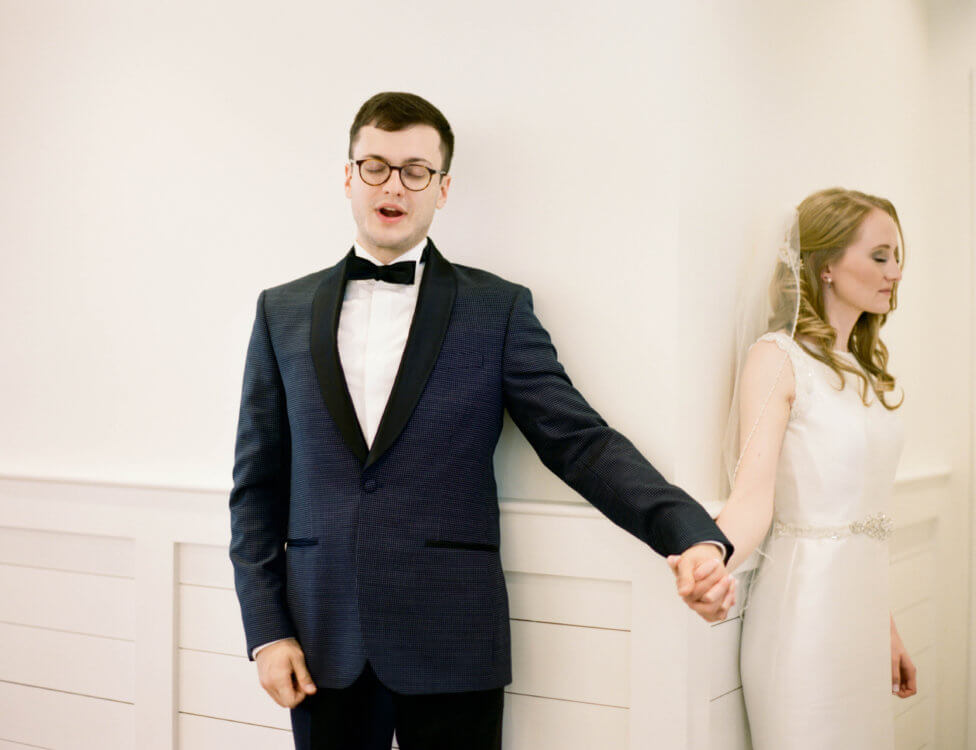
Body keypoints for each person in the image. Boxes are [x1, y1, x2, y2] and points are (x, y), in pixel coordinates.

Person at [228, 91, 735, 750]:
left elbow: (580, 444)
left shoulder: (496, 310)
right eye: (376, 165)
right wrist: (266, 631)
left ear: (442, 189)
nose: (394, 185)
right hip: (322, 642)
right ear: (348, 176)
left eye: (416, 170)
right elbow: (256, 488)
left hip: (454, 642)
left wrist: (690, 534)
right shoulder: (280, 312)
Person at [715, 188, 917, 747]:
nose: (895, 272)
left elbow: (865, 520)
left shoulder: (862, 371)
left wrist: (886, 628)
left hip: (861, 618)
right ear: (825, 264)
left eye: (898, 257)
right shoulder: (777, 358)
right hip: (803, 619)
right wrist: (710, 556)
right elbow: (753, 500)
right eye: (879, 256)